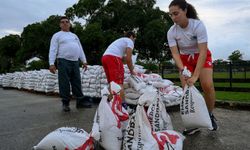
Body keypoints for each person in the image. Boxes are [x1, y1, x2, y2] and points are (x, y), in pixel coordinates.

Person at [167, 0, 218, 135]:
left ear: (185, 11)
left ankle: (209, 115)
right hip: (184, 60)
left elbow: (202, 52)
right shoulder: (171, 31)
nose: (173, 17)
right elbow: (175, 53)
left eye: (176, 13)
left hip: (201, 56)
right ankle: (193, 123)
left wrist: (195, 75)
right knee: (187, 90)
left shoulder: (198, 26)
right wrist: (183, 69)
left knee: (207, 85)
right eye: (170, 15)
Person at [49, 16, 92, 112]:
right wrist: (51, 63)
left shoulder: (74, 36)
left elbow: (80, 49)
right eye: (62, 22)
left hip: (75, 61)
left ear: (69, 24)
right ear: (60, 25)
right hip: (63, 61)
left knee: (77, 81)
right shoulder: (57, 35)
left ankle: (80, 102)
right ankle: (65, 103)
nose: (65, 23)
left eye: (66, 22)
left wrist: (84, 61)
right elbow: (53, 50)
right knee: (64, 83)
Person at [102, 31, 136, 103]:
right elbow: (128, 59)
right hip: (113, 58)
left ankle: (111, 105)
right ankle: (122, 106)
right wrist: (132, 71)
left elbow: (123, 59)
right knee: (118, 83)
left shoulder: (120, 41)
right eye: (134, 39)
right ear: (132, 37)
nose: (134, 41)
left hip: (105, 57)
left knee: (112, 83)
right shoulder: (130, 41)